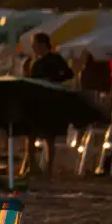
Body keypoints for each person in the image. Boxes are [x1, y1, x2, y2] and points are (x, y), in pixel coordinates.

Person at [21, 32, 74, 177]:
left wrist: (51, 81)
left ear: (42, 44)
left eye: (34, 45)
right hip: (35, 102)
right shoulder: (34, 61)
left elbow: (68, 74)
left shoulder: (55, 59)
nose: (33, 48)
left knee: (49, 137)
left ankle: (48, 169)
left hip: (49, 102)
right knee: (30, 135)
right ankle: (32, 166)